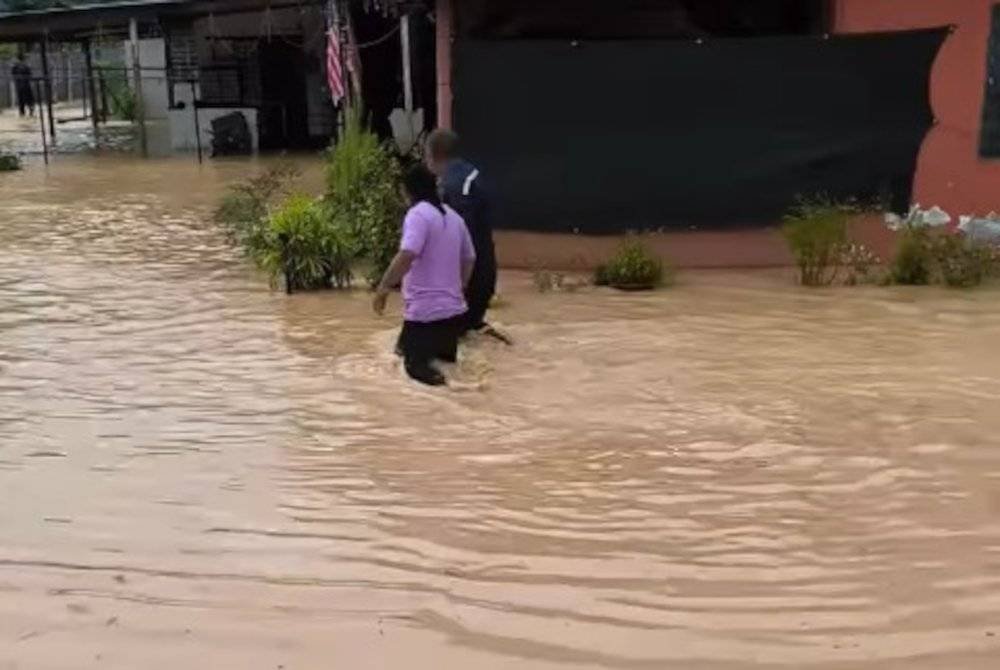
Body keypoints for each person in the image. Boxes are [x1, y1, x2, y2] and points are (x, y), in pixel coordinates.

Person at [373, 164, 476, 386]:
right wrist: (460, 287)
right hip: (452, 317)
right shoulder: (455, 218)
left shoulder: (418, 214)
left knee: (416, 375)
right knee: (444, 370)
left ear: (409, 191)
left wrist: (383, 287)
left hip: (423, 316)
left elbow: (407, 253)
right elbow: (469, 258)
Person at [425, 129, 509, 343]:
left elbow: (461, 235)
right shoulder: (471, 174)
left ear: (433, 156)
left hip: (470, 277)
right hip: (484, 274)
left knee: (449, 342)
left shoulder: (455, 185)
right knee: (470, 331)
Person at [11, 54, 35, 118]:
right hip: (25, 85)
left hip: (20, 85)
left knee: (21, 99)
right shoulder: (25, 66)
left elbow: (13, 75)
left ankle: (23, 112)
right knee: (28, 99)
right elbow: (30, 75)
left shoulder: (15, 66)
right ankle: (29, 111)